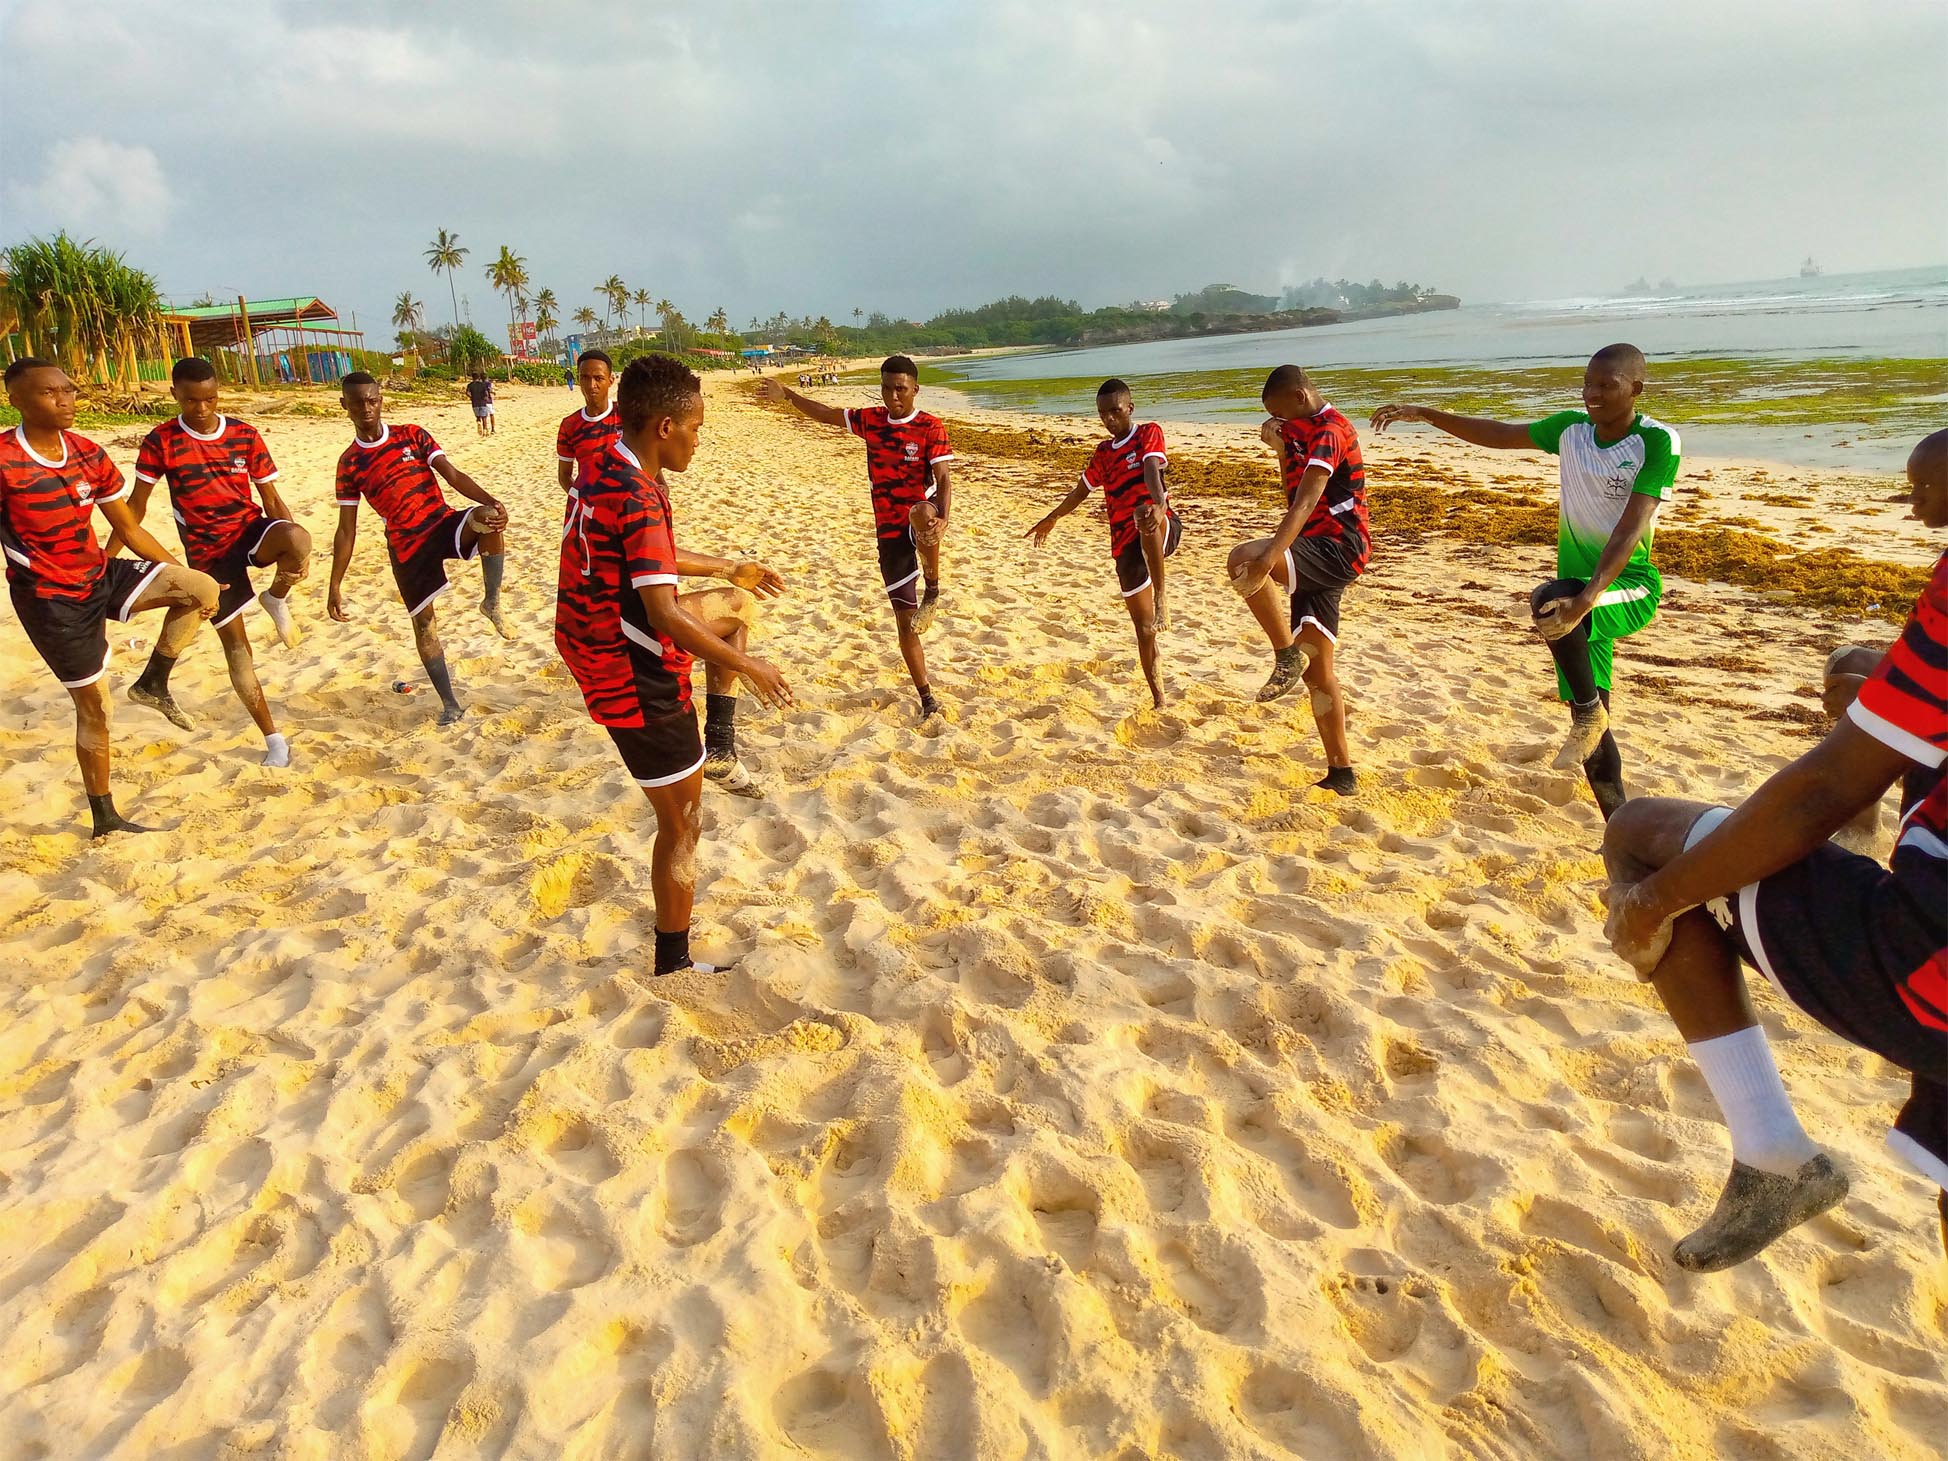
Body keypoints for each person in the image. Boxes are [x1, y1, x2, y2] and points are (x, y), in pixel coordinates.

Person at [1601, 428, 1946, 1271]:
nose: (1912, 507)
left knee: (1638, 838)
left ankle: (1772, 1152)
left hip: (1928, 965)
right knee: (1861, 671)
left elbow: (1818, 789)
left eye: (1922, 490)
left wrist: (1654, 902)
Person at [556, 354, 793, 974]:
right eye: (695, 428)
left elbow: (650, 553)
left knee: (736, 607)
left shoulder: (606, 462)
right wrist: (753, 667)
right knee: (683, 821)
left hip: (592, 632)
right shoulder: (638, 493)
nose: (697, 439)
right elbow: (663, 613)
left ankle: (721, 745)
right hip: (624, 664)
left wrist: (729, 567)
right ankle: (674, 964)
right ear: (665, 426)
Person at [1371, 344, 1678, 818]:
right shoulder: (1571, 430)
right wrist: (1426, 414)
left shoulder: (1656, 441)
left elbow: (1631, 526)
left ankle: (1587, 713)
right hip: (1577, 598)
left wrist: (1588, 596)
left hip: (1627, 585)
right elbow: (1500, 434)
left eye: (1606, 385)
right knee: (1594, 725)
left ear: (1635, 388)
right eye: (1587, 383)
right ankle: (1618, 824)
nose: (1592, 394)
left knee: (1550, 602)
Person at [0, 358, 221, 835]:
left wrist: (182, 572)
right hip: (50, 599)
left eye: (69, 390)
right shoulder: (4, 459)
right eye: (49, 393)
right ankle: (105, 817)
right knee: (97, 708)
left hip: (99, 573)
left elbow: (128, 528)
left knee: (200, 588)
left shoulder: (86, 451)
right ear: (15, 400)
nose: (65, 400)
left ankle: (153, 683)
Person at [107, 357, 311, 767]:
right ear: (175, 395)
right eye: (192, 401)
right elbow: (135, 508)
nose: (202, 409)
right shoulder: (161, 441)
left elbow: (271, 499)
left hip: (250, 531)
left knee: (298, 538)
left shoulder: (244, 434)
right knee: (237, 648)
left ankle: (276, 598)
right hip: (208, 553)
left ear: (219, 394)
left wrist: (294, 556)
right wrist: (105, 560)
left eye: (211, 399)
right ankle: (274, 739)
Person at [758, 355, 953, 717]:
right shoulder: (871, 420)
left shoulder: (930, 426)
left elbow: (943, 478)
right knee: (905, 622)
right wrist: (788, 395)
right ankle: (926, 696)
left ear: (915, 389)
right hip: (888, 532)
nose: (893, 396)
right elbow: (826, 413)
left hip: (919, 519)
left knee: (922, 513)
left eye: (901, 389)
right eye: (887, 388)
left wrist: (944, 517)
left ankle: (934, 587)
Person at [327, 372, 511, 725]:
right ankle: (450, 704)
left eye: (372, 400)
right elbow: (346, 529)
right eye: (357, 403)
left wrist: (493, 501)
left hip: (441, 524)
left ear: (381, 400)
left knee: (488, 517)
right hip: (406, 546)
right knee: (425, 625)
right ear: (344, 405)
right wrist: (335, 584)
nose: (366, 408)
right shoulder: (349, 463)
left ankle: (491, 601)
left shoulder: (411, 434)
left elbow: (453, 475)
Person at [1226, 365, 1368, 796]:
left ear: (1301, 396)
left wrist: (1268, 559)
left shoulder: (1330, 430)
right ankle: (1341, 773)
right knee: (1318, 671)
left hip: (1339, 546)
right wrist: (1280, 450)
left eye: (1281, 413)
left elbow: (1305, 504)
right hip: (1314, 548)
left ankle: (1284, 654)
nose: (1279, 422)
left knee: (1244, 559)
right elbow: (1293, 496)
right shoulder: (1302, 431)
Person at [1025, 378, 1181, 708]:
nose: (1109, 419)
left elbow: (1151, 469)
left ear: (1129, 408)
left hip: (1159, 524)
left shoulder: (1147, 433)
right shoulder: (1103, 454)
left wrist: (1159, 503)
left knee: (1143, 514)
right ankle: (1159, 699)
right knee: (1144, 630)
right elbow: (1080, 492)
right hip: (1125, 545)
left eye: (1115, 411)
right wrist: (1052, 517)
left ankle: (1162, 595)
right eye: (1102, 414)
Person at [556, 349, 620, 495]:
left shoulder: (627, 416)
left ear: (610, 381)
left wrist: (661, 486)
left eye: (598, 378)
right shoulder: (569, 425)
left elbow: (648, 457)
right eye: (585, 377)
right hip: (592, 504)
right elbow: (564, 475)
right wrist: (580, 499)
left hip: (629, 503)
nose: (591, 385)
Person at [465, 370, 495, 436]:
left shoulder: (470, 385)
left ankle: (478, 422)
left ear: (472, 377)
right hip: (482, 402)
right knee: (484, 417)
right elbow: (486, 393)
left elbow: (467, 392)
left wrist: (471, 397)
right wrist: (486, 397)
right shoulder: (482, 384)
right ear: (478, 377)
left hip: (475, 403)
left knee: (478, 417)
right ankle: (485, 430)